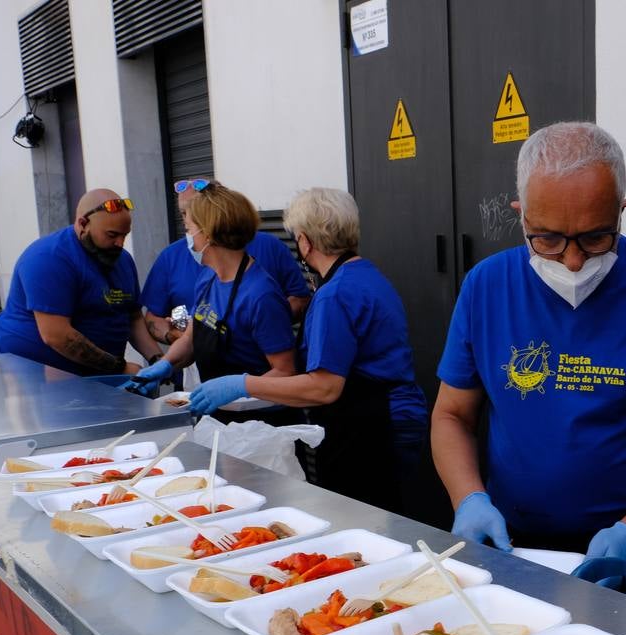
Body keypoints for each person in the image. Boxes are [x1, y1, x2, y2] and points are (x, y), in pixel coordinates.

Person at [432, 122, 626, 565]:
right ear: (521, 214)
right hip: (511, 542)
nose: (572, 261)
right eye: (547, 239)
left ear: (622, 210)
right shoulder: (486, 287)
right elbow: (452, 414)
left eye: (595, 237)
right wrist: (468, 498)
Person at [189, 187, 440, 522]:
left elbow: (324, 387)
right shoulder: (368, 274)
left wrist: (243, 384)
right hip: (390, 416)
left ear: (305, 242)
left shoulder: (334, 294)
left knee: (366, 524)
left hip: (372, 427)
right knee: (387, 517)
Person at [124, 183, 299, 424]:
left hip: (261, 424)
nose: (188, 237)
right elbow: (191, 338)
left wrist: (240, 389)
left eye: (190, 229)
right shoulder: (208, 277)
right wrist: (165, 365)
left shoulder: (261, 295)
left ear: (209, 233)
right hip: (218, 416)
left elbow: (285, 371)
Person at [0, 189, 163, 376]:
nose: (120, 243)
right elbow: (57, 335)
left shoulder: (122, 260)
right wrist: (120, 368)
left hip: (92, 375)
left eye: (125, 235)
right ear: (83, 224)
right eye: (112, 235)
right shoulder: (49, 258)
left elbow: (133, 317)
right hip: (32, 372)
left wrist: (157, 359)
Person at [140, 177, 312, 347]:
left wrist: (265, 323)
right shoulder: (203, 278)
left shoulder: (263, 272)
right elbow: (160, 321)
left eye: (192, 215)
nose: (186, 224)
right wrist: (175, 342)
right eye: (183, 214)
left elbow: (300, 299)